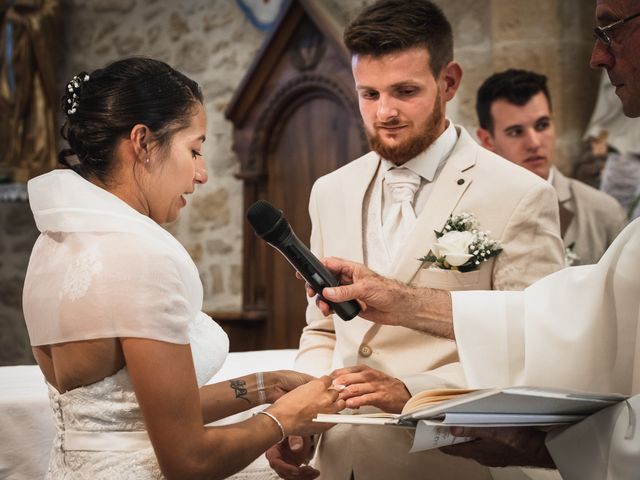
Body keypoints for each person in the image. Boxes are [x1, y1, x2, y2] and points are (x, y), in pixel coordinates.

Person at [296, 1, 640, 476]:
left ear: (449, 82)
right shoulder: (330, 191)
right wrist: (299, 418)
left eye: (405, 90)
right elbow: (321, 330)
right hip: (342, 460)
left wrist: (415, 389)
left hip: (449, 464)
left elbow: (537, 350)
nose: (386, 111)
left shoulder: (520, 193)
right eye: (368, 93)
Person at [21, 57, 344, 479]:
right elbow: (188, 461)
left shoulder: (52, 243)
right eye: (194, 149)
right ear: (142, 142)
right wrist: (284, 418)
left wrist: (264, 386)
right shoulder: (141, 256)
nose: (202, 173)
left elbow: (125, 412)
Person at [476, 68, 627, 265]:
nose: (534, 143)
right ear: (487, 140)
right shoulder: (473, 212)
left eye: (542, 125)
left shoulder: (603, 212)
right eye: (515, 132)